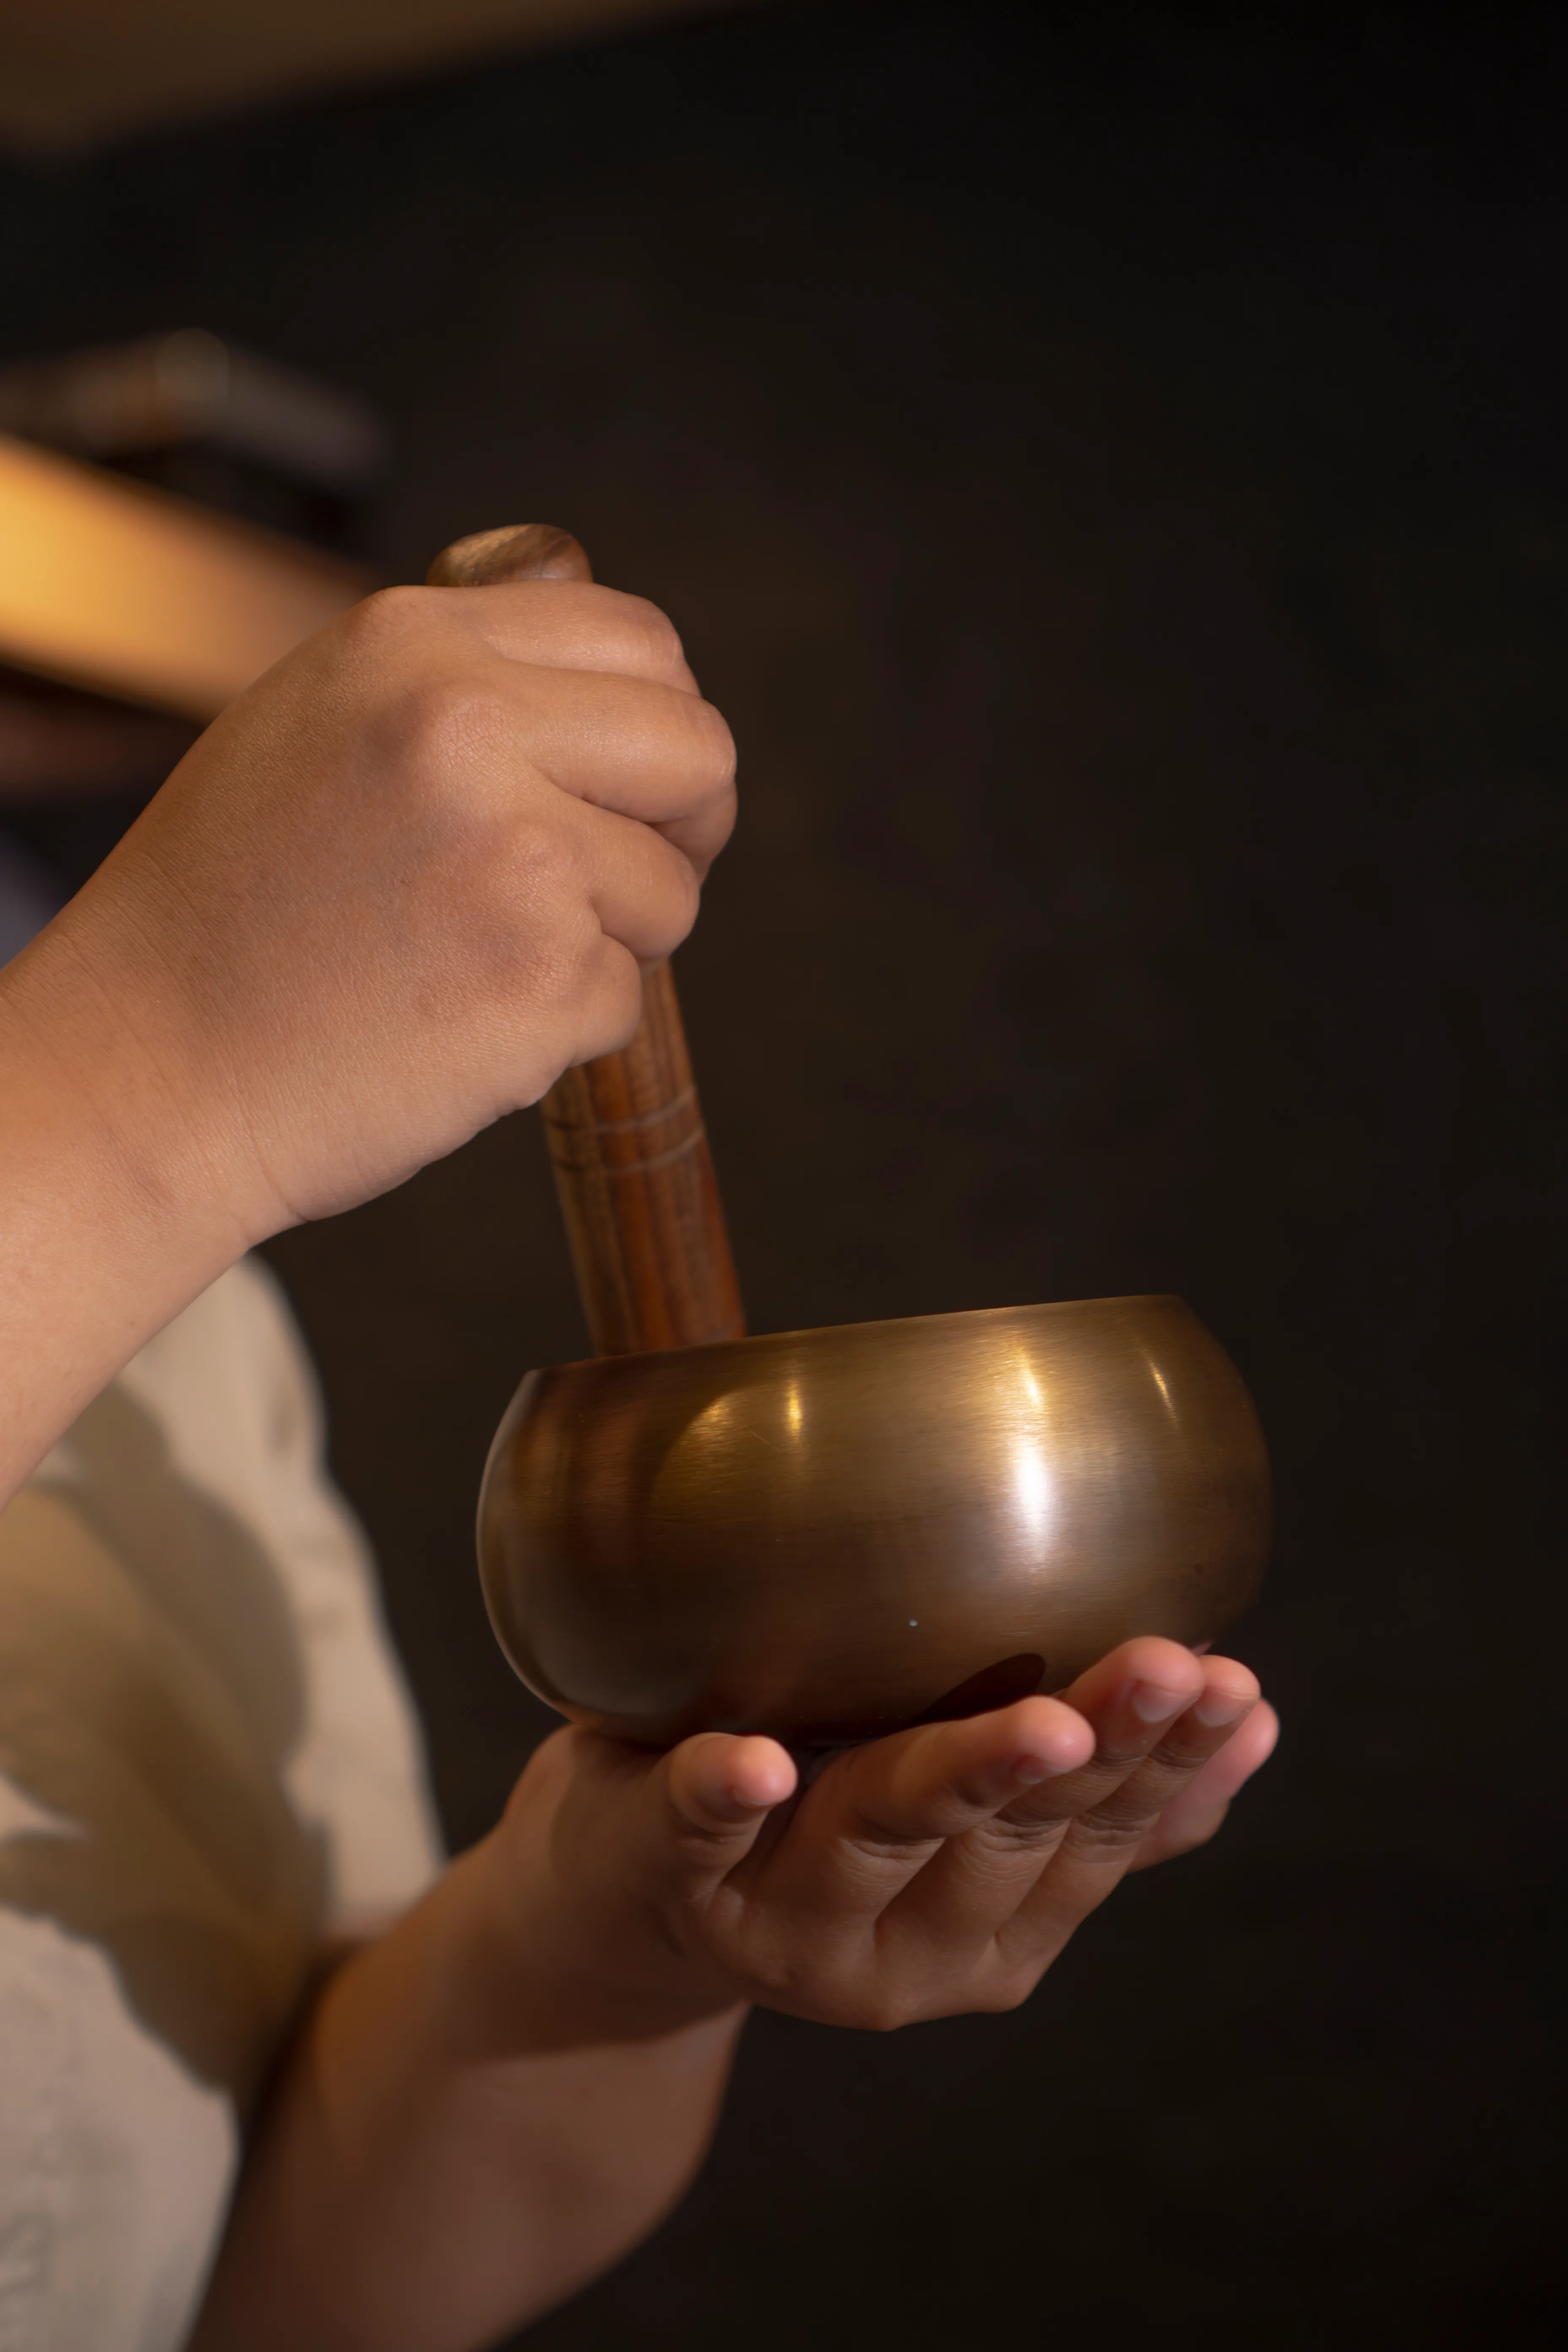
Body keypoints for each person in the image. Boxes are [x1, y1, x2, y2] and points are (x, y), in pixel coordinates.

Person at [0, 571, 1279, 2350]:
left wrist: (595, 1956)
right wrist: (142, 1074)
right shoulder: (118, 1114)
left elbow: (268, 2296)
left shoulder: (182, 1332)